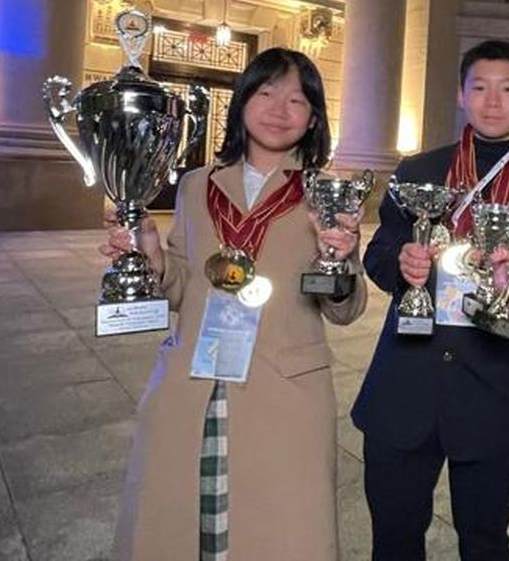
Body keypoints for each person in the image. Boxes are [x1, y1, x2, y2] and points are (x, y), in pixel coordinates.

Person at [106, 47, 367, 560]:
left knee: (281, 534)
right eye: (266, 92)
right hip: (192, 380)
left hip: (286, 390)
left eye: (297, 99)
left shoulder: (326, 191)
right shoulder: (197, 185)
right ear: (243, 101)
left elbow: (343, 308)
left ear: (314, 117)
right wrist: (155, 257)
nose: (279, 108)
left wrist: (339, 259)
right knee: (183, 527)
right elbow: (183, 288)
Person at [352, 39, 509, 560]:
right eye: (480, 87)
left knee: (485, 542)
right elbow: (378, 257)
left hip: (491, 395)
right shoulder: (418, 173)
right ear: (461, 96)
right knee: (394, 540)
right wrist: (403, 263)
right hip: (404, 386)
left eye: (507, 89)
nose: (492, 101)